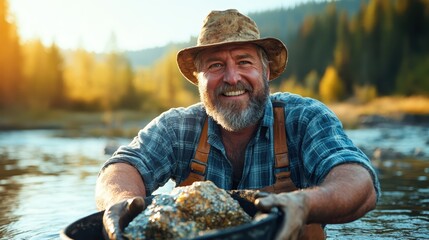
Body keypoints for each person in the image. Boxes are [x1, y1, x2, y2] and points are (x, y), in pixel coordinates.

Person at [96, 9, 380, 240]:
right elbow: (122, 167)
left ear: (266, 71)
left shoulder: (304, 118)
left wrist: (303, 204)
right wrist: (123, 202)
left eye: (244, 62)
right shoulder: (177, 128)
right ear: (199, 79)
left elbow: (360, 182)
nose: (232, 78)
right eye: (216, 65)